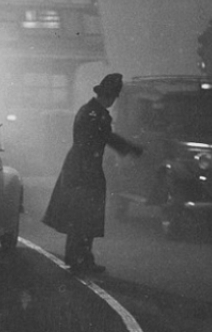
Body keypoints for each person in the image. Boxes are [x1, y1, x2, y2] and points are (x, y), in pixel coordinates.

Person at [42, 73, 143, 275]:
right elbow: (103, 138)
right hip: (85, 170)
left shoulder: (89, 111)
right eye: (113, 96)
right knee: (85, 215)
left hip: (80, 168)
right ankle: (81, 259)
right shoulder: (95, 115)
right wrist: (130, 148)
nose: (113, 101)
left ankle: (78, 257)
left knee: (79, 216)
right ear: (109, 95)